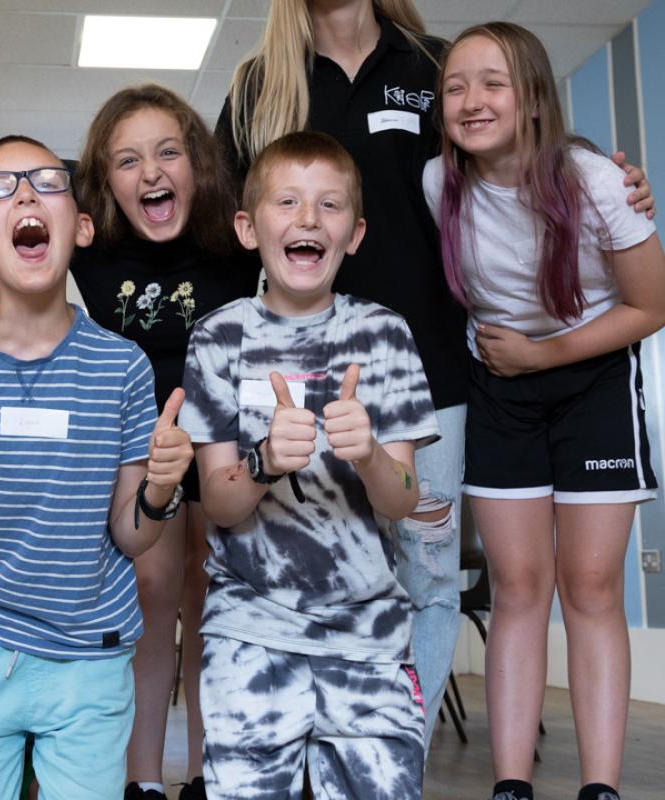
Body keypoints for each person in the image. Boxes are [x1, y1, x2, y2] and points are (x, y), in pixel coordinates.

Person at [215, 0, 655, 742]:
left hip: (431, 376)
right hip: (301, 378)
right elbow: (229, 236)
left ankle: (393, 761)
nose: (472, 96)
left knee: (426, 582)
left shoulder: (431, 68)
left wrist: (612, 185)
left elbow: (508, 165)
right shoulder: (261, 84)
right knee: (307, 576)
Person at [0, 135, 193, 799]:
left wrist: (162, 487)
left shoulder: (122, 367)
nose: (24, 194)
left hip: (90, 656)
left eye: (47, 182)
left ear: (79, 228)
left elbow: (131, 536)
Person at [423, 22, 665, 800]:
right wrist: (516, 364)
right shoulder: (439, 184)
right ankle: (511, 785)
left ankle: (600, 786)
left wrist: (542, 354)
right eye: (455, 86)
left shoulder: (595, 180)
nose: (471, 100)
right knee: (518, 586)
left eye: (491, 83)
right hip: (500, 388)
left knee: (590, 587)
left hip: (592, 380)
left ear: (531, 99)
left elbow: (652, 305)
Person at [181, 131, 439, 800]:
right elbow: (221, 502)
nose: (306, 219)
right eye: (287, 201)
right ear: (247, 227)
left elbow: (404, 500)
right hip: (249, 636)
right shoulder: (218, 337)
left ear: (353, 234)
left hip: (369, 639)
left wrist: (371, 454)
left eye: (328, 207)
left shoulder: (386, 336)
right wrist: (264, 463)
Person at [72, 84, 259, 800]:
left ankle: (208, 774)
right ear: (103, 182)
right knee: (151, 602)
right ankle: (142, 778)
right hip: (134, 455)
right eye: (127, 160)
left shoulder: (236, 246)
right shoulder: (89, 246)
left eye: (167, 152)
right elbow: (4, 188)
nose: (150, 173)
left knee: (208, 605)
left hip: (219, 447)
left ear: (198, 165)